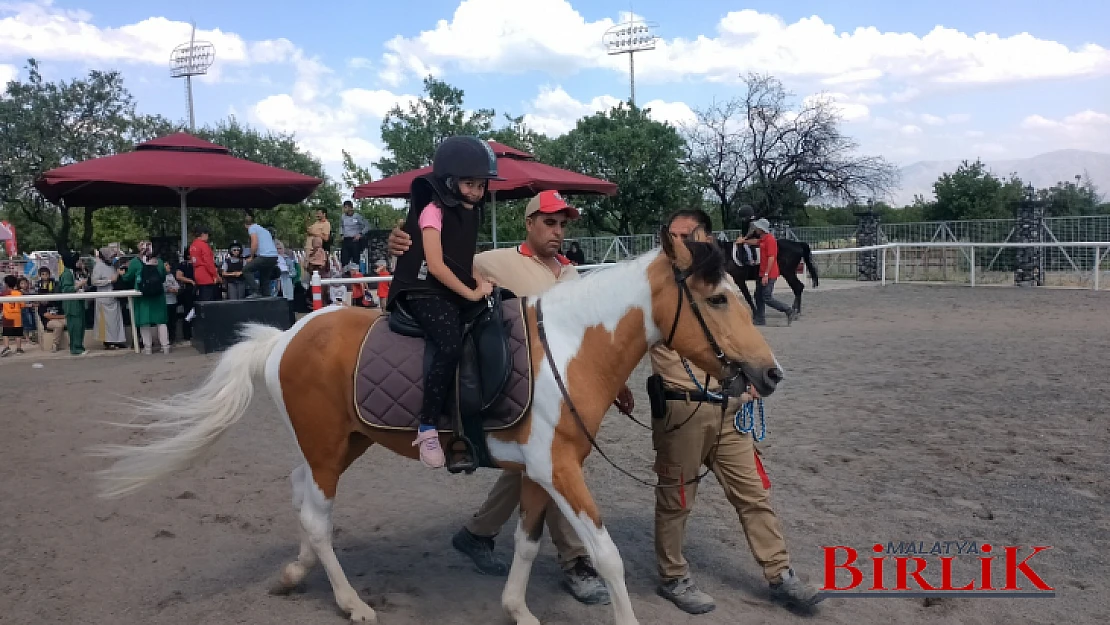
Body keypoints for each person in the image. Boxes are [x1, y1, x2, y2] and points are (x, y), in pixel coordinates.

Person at [387, 189, 630, 605]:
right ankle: (574, 561)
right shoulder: (495, 261)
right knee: (555, 469)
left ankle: (477, 533)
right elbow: (439, 261)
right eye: (549, 222)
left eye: (563, 224)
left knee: (530, 467)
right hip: (515, 385)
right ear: (530, 222)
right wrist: (403, 244)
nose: (557, 231)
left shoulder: (572, 275)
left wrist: (616, 383)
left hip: (554, 392)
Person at [649, 210, 819, 615]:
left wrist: (752, 377)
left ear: (706, 237)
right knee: (677, 499)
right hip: (682, 408)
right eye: (673, 236)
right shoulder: (658, 286)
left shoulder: (721, 284)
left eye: (686, 235)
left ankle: (780, 573)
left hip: (730, 408)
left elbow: (740, 336)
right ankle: (673, 576)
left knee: (753, 494)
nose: (678, 243)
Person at [386, 135, 498, 469]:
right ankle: (428, 424)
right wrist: (472, 293)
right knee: (449, 344)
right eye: (469, 183)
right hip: (422, 289)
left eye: (480, 185)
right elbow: (435, 265)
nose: (476, 192)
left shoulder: (470, 212)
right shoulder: (433, 210)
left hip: (450, 287)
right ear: (449, 182)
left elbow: (464, 256)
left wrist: (479, 279)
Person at [743, 219, 796, 326]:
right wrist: (744, 241)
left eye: (758, 228)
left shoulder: (770, 240)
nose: (756, 229)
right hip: (763, 273)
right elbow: (756, 242)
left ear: (762, 229)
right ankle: (760, 319)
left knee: (766, 297)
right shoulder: (764, 239)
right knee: (758, 295)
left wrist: (766, 275)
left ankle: (788, 310)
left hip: (769, 273)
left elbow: (771, 258)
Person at [124, 241, 170, 355]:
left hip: (142, 296)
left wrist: (122, 273)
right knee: (161, 321)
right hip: (158, 295)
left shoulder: (135, 262)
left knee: (144, 322)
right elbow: (163, 277)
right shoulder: (159, 262)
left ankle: (148, 348)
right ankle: (165, 346)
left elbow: (127, 277)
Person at [91, 247, 127, 349]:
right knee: (106, 322)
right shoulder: (98, 266)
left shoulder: (112, 266)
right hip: (103, 298)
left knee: (116, 321)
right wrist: (109, 281)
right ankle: (108, 342)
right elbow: (94, 281)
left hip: (113, 297)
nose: (112, 258)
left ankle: (117, 340)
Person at [57, 251, 87, 356]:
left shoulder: (73, 272)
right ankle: (76, 348)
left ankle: (79, 346)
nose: (79, 262)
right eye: (77, 260)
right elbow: (66, 289)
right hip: (72, 305)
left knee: (80, 326)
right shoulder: (66, 274)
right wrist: (79, 285)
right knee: (75, 326)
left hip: (78, 302)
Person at [243, 212, 279, 298]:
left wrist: (251, 256)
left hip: (265, 256)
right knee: (264, 277)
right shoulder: (263, 229)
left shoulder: (252, 228)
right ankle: (267, 297)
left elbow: (254, 242)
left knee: (246, 270)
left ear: (245, 225)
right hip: (273, 256)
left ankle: (256, 291)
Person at [189, 226, 221, 302]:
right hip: (206, 275)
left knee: (202, 298)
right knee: (208, 300)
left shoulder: (193, 245)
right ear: (203, 234)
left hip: (197, 273)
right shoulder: (203, 245)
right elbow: (209, 262)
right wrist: (215, 275)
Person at [339, 201, 370, 268]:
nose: (344, 209)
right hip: (346, 239)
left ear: (350, 208)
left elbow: (367, 226)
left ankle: (356, 273)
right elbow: (341, 226)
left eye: (345, 207)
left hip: (355, 240)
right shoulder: (343, 217)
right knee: (344, 259)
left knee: (355, 259)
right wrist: (341, 234)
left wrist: (360, 234)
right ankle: (345, 274)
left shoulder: (357, 216)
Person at [1, 274, 26, 356]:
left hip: (7, 316)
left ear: (6, 284)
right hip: (17, 316)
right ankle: (18, 348)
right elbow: (22, 305)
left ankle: (6, 347)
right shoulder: (18, 293)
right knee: (18, 333)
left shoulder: (3, 293)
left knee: (6, 333)